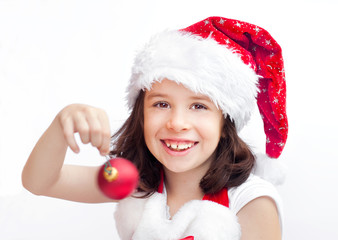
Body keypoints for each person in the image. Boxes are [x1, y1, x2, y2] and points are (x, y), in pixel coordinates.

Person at [22, 16, 288, 240]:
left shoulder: (250, 201)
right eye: (161, 104)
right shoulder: (135, 183)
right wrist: (61, 124)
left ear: (225, 123)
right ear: (141, 114)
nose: (177, 123)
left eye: (199, 106)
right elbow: (41, 182)